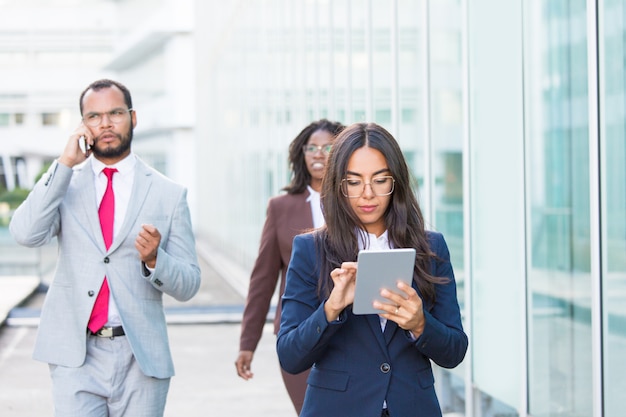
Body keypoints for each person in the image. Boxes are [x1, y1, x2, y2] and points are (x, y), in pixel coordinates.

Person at [9, 79, 201, 416]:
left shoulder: (168, 194)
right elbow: (25, 233)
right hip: (75, 354)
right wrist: (64, 164)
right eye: (94, 117)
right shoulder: (66, 184)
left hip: (140, 357)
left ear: (133, 117)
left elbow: (189, 284)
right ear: (83, 125)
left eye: (115, 113)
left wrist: (157, 260)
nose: (106, 124)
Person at [276, 122, 468, 417]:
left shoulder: (431, 248)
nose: (367, 194)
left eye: (380, 180)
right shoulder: (311, 249)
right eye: (354, 182)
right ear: (339, 185)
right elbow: (290, 356)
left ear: (396, 183)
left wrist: (420, 324)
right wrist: (331, 308)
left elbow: (455, 351)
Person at [235, 119, 345, 413]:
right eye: (311, 148)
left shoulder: (357, 202)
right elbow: (263, 279)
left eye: (327, 147)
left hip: (351, 331)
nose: (318, 154)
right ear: (302, 154)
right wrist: (248, 342)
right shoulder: (280, 207)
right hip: (300, 335)